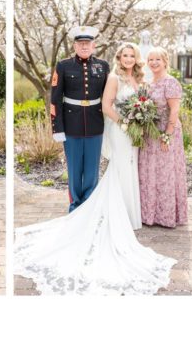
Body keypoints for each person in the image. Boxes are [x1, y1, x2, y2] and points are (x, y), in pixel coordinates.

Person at [14, 42, 176, 295]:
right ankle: (94, 211)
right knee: (111, 168)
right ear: (119, 57)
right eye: (125, 55)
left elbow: (144, 103)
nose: (129, 58)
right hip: (114, 128)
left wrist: (141, 119)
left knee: (123, 169)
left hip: (129, 131)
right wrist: (124, 122)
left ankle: (128, 214)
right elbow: (101, 104)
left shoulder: (134, 77)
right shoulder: (106, 75)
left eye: (133, 55)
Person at [51, 26, 110, 211]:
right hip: (71, 125)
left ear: (94, 45)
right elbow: (55, 99)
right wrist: (57, 128)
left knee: (92, 169)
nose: (84, 46)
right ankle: (75, 205)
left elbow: (108, 97)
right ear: (74, 46)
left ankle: (89, 206)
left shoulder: (103, 66)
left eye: (88, 43)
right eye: (80, 43)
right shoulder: (63, 65)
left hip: (95, 123)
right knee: (75, 169)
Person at [137, 47, 188, 228]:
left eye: (157, 59)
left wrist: (167, 135)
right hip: (150, 132)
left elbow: (174, 110)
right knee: (149, 172)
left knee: (165, 172)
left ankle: (166, 216)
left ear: (165, 61)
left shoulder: (170, 82)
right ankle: (149, 214)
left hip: (167, 131)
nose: (154, 62)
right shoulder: (148, 83)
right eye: (150, 59)